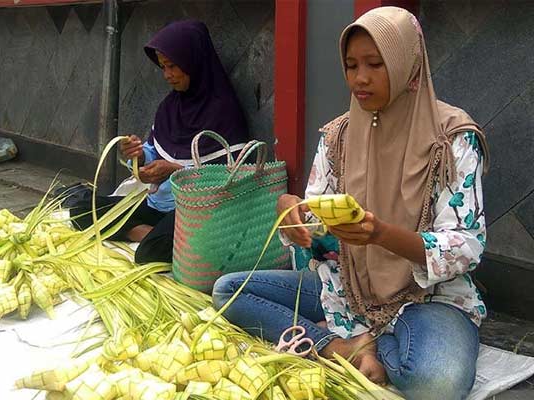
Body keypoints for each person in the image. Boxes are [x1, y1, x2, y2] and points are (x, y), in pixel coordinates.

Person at [212, 7, 489, 400]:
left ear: (407, 64)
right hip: (349, 288)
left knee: (436, 382)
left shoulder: (452, 139)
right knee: (228, 291)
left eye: (376, 64)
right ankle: (342, 346)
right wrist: (293, 215)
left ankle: (373, 342)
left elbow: (467, 245)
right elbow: (321, 231)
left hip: (428, 299)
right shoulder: (337, 137)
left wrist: (381, 235)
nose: (360, 78)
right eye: (351, 65)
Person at [70, 20, 248, 263]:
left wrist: (175, 171)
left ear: (193, 61)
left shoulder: (223, 111)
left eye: (173, 66)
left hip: (193, 213)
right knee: (80, 210)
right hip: (158, 205)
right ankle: (151, 235)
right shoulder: (169, 107)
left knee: (148, 254)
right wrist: (139, 156)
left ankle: (151, 238)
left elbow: (231, 179)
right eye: (163, 67)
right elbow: (155, 151)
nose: (167, 75)